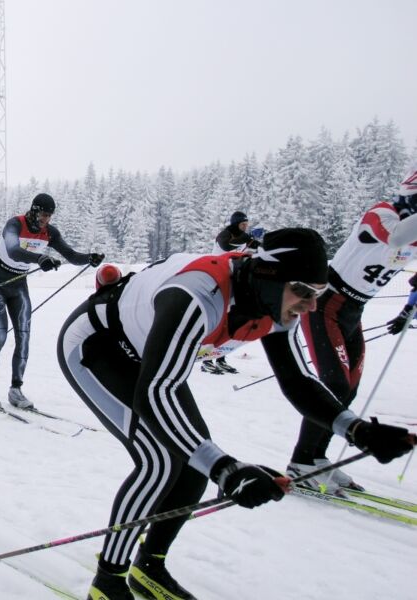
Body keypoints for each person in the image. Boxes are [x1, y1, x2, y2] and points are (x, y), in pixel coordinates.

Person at [56, 228, 414, 600]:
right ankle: (108, 582)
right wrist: (226, 469)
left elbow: (297, 380)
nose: (309, 306)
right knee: (161, 461)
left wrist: (358, 431)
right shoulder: (197, 295)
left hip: (151, 359)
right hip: (99, 345)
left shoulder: (271, 303)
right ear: (270, 276)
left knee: (190, 463)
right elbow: (154, 394)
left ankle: (149, 567)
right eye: (303, 292)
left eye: (318, 295)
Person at [288, 169, 417, 494]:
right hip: (326, 302)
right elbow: (397, 238)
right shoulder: (383, 213)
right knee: (333, 385)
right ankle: (300, 461)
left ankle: (316, 458)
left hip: (353, 309)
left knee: (349, 389)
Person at [0, 193, 103, 409]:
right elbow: (13, 250)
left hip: (18, 285)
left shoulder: (50, 232)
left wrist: (89, 257)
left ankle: (15, 390)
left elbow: (71, 255)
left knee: (24, 337)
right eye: (44, 215)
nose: (47, 220)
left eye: (50, 216)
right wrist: (40, 258)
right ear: (34, 210)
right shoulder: (14, 224)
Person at [202, 211, 261, 375]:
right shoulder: (226, 234)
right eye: (242, 224)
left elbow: (259, 248)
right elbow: (227, 247)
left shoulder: (244, 237)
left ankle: (220, 359)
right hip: (217, 280)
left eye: (246, 224)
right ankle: (206, 360)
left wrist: (258, 244)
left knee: (230, 322)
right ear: (236, 224)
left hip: (233, 280)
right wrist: (247, 240)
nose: (245, 227)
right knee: (217, 322)